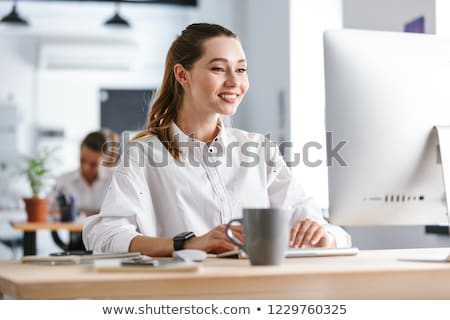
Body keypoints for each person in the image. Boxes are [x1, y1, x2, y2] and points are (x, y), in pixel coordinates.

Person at [83, 23, 351, 256]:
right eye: (219, 69)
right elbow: (104, 236)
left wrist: (324, 235)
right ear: (182, 75)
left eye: (242, 69)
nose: (235, 82)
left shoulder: (258, 149)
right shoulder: (143, 154)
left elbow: (327, 228)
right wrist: (187, 245)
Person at [53, 129, 118, 220]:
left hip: (106, 232)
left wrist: (77, 213)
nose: (85, 168)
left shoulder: (116, 180)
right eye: (82, 160)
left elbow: (118, 214)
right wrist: (98, 213)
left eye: (93, 164)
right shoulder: (64, 180)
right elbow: (51, 212)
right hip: (73, 233)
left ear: (106, 160)